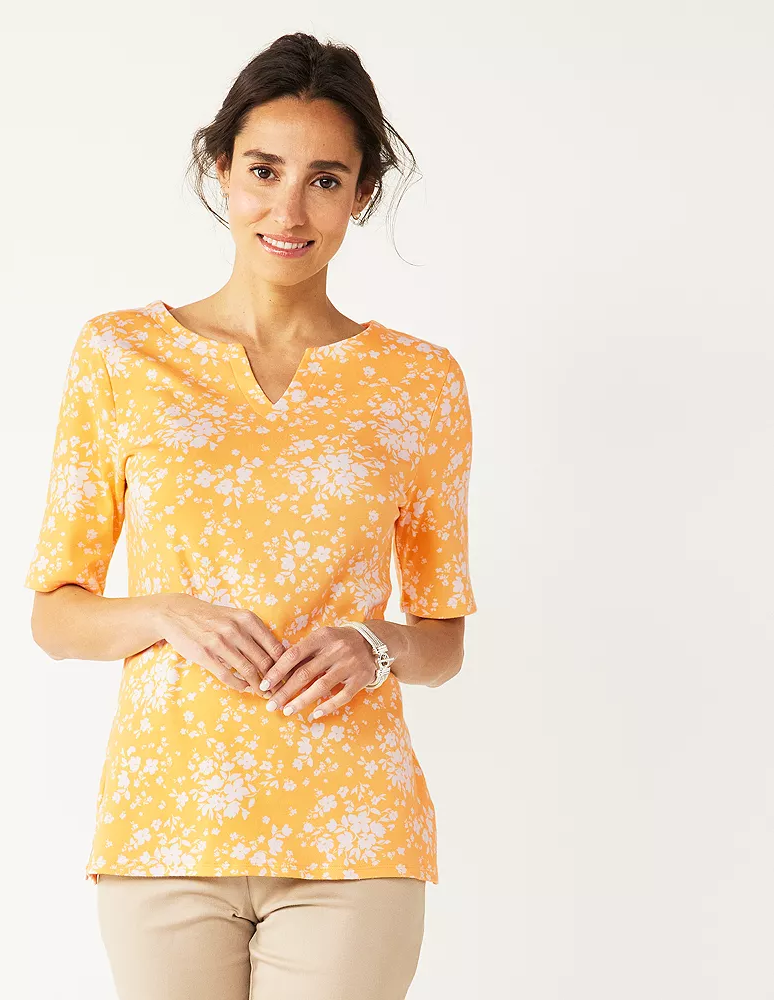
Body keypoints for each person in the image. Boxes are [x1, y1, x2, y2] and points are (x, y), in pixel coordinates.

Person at [24, 31, 478, 1000]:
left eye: (325, 180)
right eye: (264, 171)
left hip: (353, 831)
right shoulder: (121, 355)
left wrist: (375, 643)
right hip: (166, 825)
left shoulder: (420, 381)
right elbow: (55, 615)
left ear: (361, 195)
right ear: (221, 169)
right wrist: (163, 612)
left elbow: (442, 640)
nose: (288, 209)